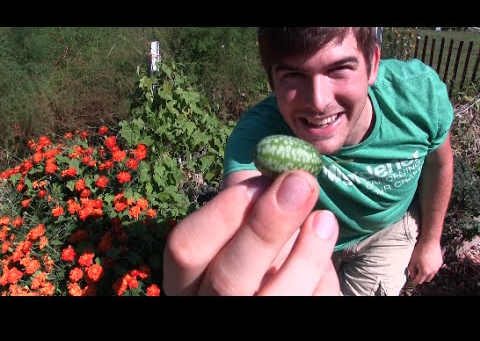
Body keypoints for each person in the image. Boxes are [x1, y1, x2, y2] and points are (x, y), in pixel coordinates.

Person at [163, 27, 454, 296]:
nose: (318, 101)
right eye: (293, 75)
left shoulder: (418, 96)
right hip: (311, 241)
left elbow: (439, 165)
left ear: (373, 64)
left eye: (339, 69)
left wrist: (430, 241)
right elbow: (244, 214)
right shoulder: (255, 137)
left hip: (385, 234)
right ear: (272, 81)